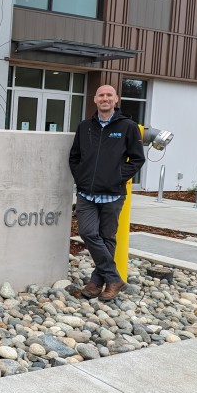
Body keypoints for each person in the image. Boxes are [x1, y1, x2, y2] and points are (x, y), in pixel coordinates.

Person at [69, 84, 145, 301]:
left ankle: (96, 282)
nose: (105, 98)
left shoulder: (128, 126)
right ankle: (114, 277)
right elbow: (74, 157)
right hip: (87, 194)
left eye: (109, 95)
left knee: (107, 237)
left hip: (113, 194)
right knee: (87, 232)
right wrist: (81, 177)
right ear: (95, 99)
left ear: (116, 99)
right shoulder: (85, 127)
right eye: (101, 95)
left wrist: (117, 176)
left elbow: (137, 159)